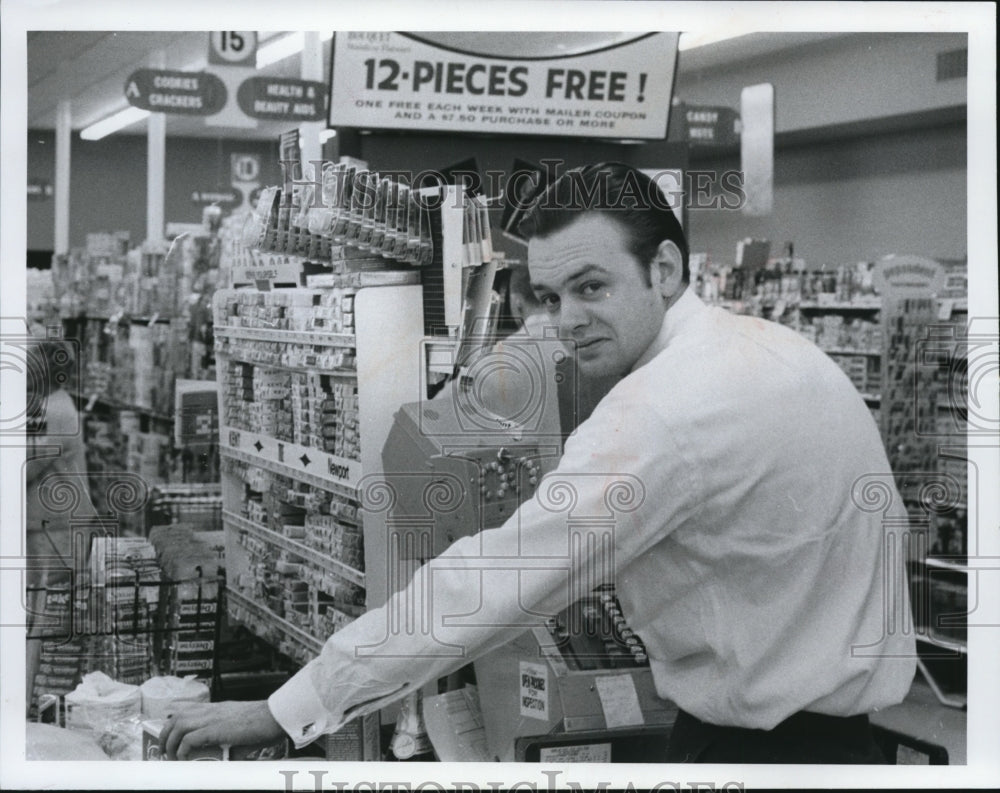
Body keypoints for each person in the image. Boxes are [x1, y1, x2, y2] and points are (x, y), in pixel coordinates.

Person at [161, 163, 916, 763]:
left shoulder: (662, 406)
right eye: (551, 296)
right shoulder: (779, 349)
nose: (567, 322)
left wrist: (284, 707)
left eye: (592, 287)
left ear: (664, 268)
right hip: (851, 737)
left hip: (758, 750)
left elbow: (492, 582)